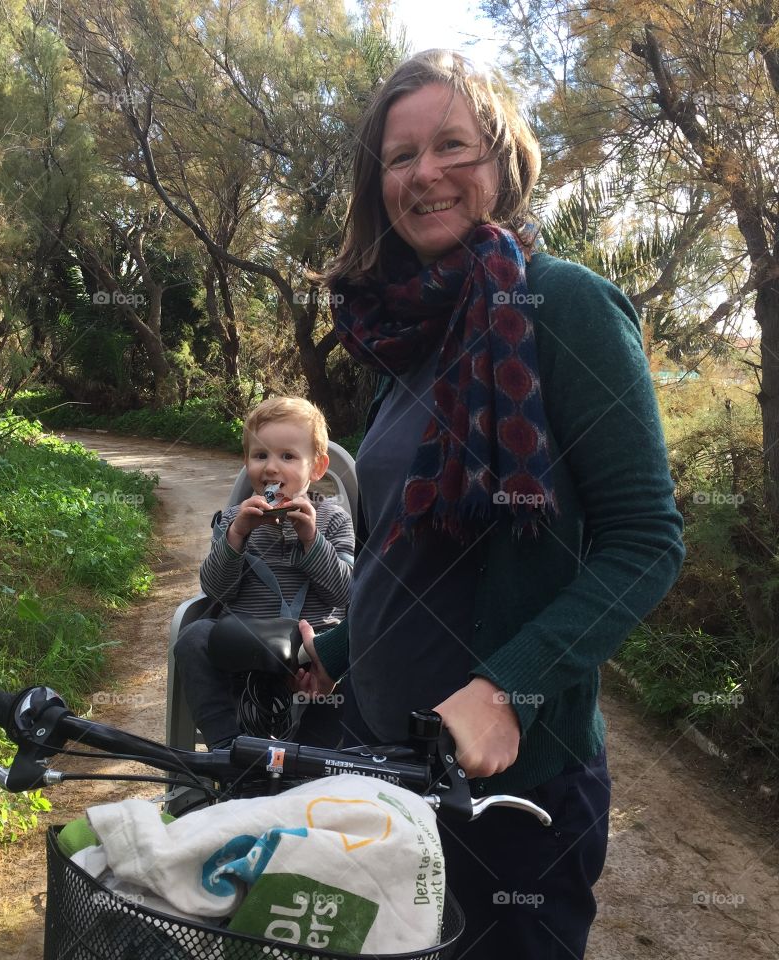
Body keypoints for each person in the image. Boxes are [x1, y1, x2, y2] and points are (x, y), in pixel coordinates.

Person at [293, 50, 686, 958]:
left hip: (509, 798)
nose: (425, 173)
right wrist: (341, 651)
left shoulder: (563, 305)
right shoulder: (411, 340)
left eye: (452, 146)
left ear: (502, 161)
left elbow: (647, 540)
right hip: (380, 765)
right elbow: (409, 549)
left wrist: (510, 686)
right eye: (400, 157)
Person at [174, 396, 354, 750]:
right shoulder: (232, 520)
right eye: (261, 456)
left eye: (287, 456)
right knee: (193, 637)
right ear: (246, 462)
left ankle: (312, 758)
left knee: (357, 656)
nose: (271, 468)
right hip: (242, 645)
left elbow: (346, 594)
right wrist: (237, 535)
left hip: (312, 649)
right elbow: (215, 590)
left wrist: (311, 540)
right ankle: (228, 747)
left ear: (317, 468)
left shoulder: (333, 519)